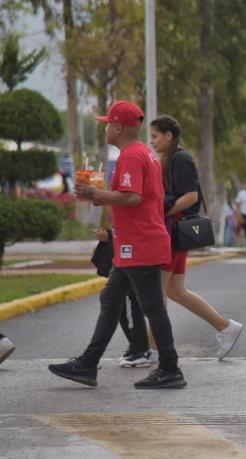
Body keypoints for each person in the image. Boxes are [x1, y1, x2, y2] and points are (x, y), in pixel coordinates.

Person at [49, 100, 185, 389]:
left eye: (108, 124)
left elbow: (132, 197)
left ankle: (171, 368)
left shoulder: (131, 156)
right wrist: (101, 195)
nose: (106, 129)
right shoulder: (144, 153)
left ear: (119, 127)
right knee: (111, 300)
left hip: (140, 243)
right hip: (133, 244)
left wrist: (97, 193)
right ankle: (88, 364)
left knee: (152, 307)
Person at [149, 115, 243, 360]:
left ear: (169, 136)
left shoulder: (181, 159)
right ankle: (225, 327)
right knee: (176, 291)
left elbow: (191, 196)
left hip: (173, 231)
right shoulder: (169, 158)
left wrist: (163, 212)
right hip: (176, 232)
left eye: (155, 136)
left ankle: (152, 349)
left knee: (156, 292)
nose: (152, 142)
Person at [92, 225, 152, 367]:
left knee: (130, 308)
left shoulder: (132, 203)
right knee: (124, 307)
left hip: (130, 256)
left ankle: (141, 350)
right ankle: (136, 347)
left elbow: (134, 230)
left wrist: (110, 237)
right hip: (126, 255)